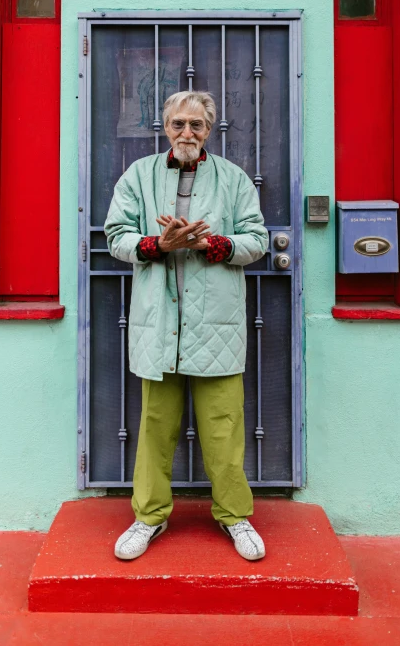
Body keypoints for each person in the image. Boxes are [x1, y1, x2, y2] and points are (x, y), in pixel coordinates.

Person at [104, 90, 268, 561]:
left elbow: (256, 239)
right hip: (159, 323)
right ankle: (149, 516)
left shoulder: (234, 180)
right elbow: (117, 235)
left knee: (223, 427)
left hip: (216, 325)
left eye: (196, 125)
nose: (186, 133)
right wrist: (160, 243)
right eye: (178, 124)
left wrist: (211, 244)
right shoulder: (139, 175)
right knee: (155, 425)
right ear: (165, 127)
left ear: (210, 130)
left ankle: (235, 515)